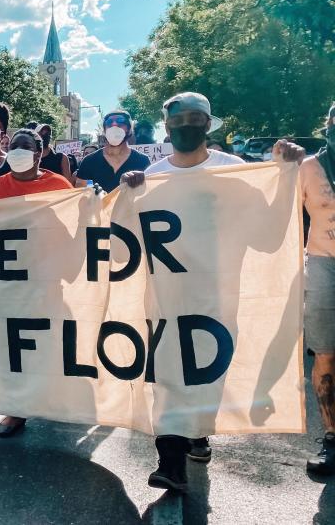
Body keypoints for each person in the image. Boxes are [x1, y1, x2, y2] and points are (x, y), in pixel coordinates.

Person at [122, 91, 305, 491]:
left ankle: (197, 431)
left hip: (218, 299)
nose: (186, 125)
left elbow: (269, 236)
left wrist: (285, 174)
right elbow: (124, 238)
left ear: (208, 123)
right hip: (165, 298)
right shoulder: (151, 178)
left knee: (206, 374)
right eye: (179, 119)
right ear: (166, 125)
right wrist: (126, 195)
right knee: (166, 375)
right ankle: (169, 463)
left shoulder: (233, 171)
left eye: (195, 118)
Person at [0, 128, 74, 437]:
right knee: (8, 347)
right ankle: (15, 409)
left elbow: (71, 230)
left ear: (38, 153)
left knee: (44, 343)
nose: (17, 150)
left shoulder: (58, 185)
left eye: (25, 146)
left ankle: (46, 398)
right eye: (13, 146)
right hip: (5, 281)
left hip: (44, 282)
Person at [302, 103, 335, 476]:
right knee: (325, 355)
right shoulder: (310, 168)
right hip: (324, 264)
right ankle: (331, 437)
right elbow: (283, 211)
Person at [75, 110, 151, 192]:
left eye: (121, 121)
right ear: (104, 130)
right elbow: (80, 194)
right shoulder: (89, 161)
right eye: (109, 122)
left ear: (129, 129)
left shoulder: (142, 160)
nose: (114, 125)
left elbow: (148, 192)